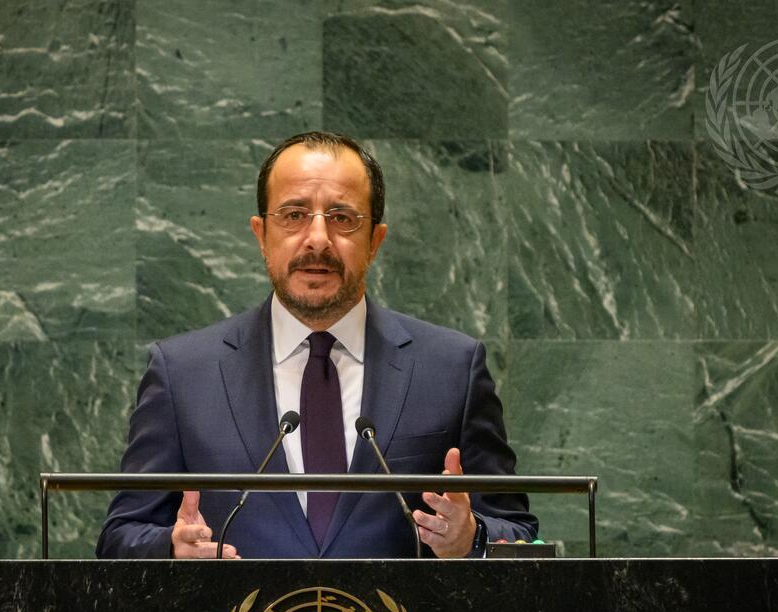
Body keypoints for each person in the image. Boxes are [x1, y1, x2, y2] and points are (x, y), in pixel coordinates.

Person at [97, 131, 538, 559]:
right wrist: (171, 549)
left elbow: (520, 534)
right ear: (261, 234)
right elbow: (121, 536)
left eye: (343, 218)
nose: (318, 239)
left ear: (375, 241)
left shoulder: (452, 369)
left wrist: (471, 539)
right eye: (293, 215)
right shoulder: (182, 373)